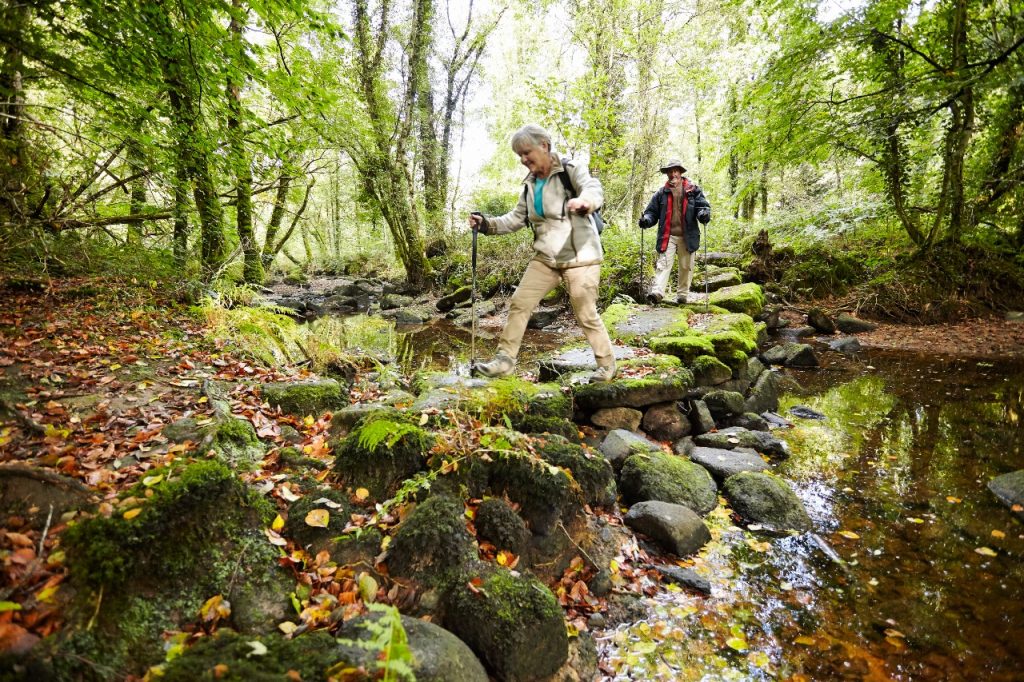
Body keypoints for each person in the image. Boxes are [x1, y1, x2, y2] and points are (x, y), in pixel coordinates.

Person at [468, 124, 616, 382]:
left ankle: (607, 364)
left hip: (581, 257)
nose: (524, 160)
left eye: (527, 153)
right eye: (520, 156)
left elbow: (592, 188)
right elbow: (515, 219)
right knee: (519, 303)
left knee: (585, 313)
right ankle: (505, 361)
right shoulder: (529, 185)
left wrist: (586, 202)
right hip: (546, 258)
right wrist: (486, 224)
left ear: (544, 146)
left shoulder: (569, 170)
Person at [638, 160, 712, 304]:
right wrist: (646, 220)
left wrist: (704, 214)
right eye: (670, 172)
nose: (673, 174)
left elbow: (703, 206)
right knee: (664, 264)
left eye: (675, 171)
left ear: (680, 172)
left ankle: (682, 295)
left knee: (686, 266)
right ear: (667, 174)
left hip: (688, 235)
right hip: (668, 236)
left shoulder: (693, 190)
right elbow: (651, 212)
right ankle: (657, 293)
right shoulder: (661, 193)